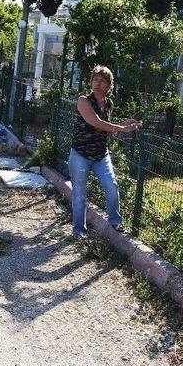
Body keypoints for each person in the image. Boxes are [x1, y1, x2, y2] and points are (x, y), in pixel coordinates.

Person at [68, 65, 138, 237]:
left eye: (102, 81)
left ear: (109, 85)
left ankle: (115, 222)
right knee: (79, 193)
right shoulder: (83, 100)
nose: (98, 83)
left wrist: (121, 126)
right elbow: (95, 122)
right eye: (95, 79)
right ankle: (79, 230)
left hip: (101, 155)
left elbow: (106, 130)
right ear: (91, 82)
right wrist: (120, 128)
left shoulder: (108, 104)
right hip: (81, 154)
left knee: (111, 185)